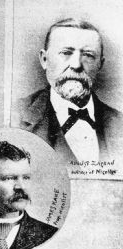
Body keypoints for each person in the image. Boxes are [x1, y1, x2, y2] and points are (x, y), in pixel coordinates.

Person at [15, 18, 123, 164]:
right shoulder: (16, 115)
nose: (76, 65)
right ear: (44, 59)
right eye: (66, 52)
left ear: (100, 64)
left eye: (88, 55)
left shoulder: (119, 123)